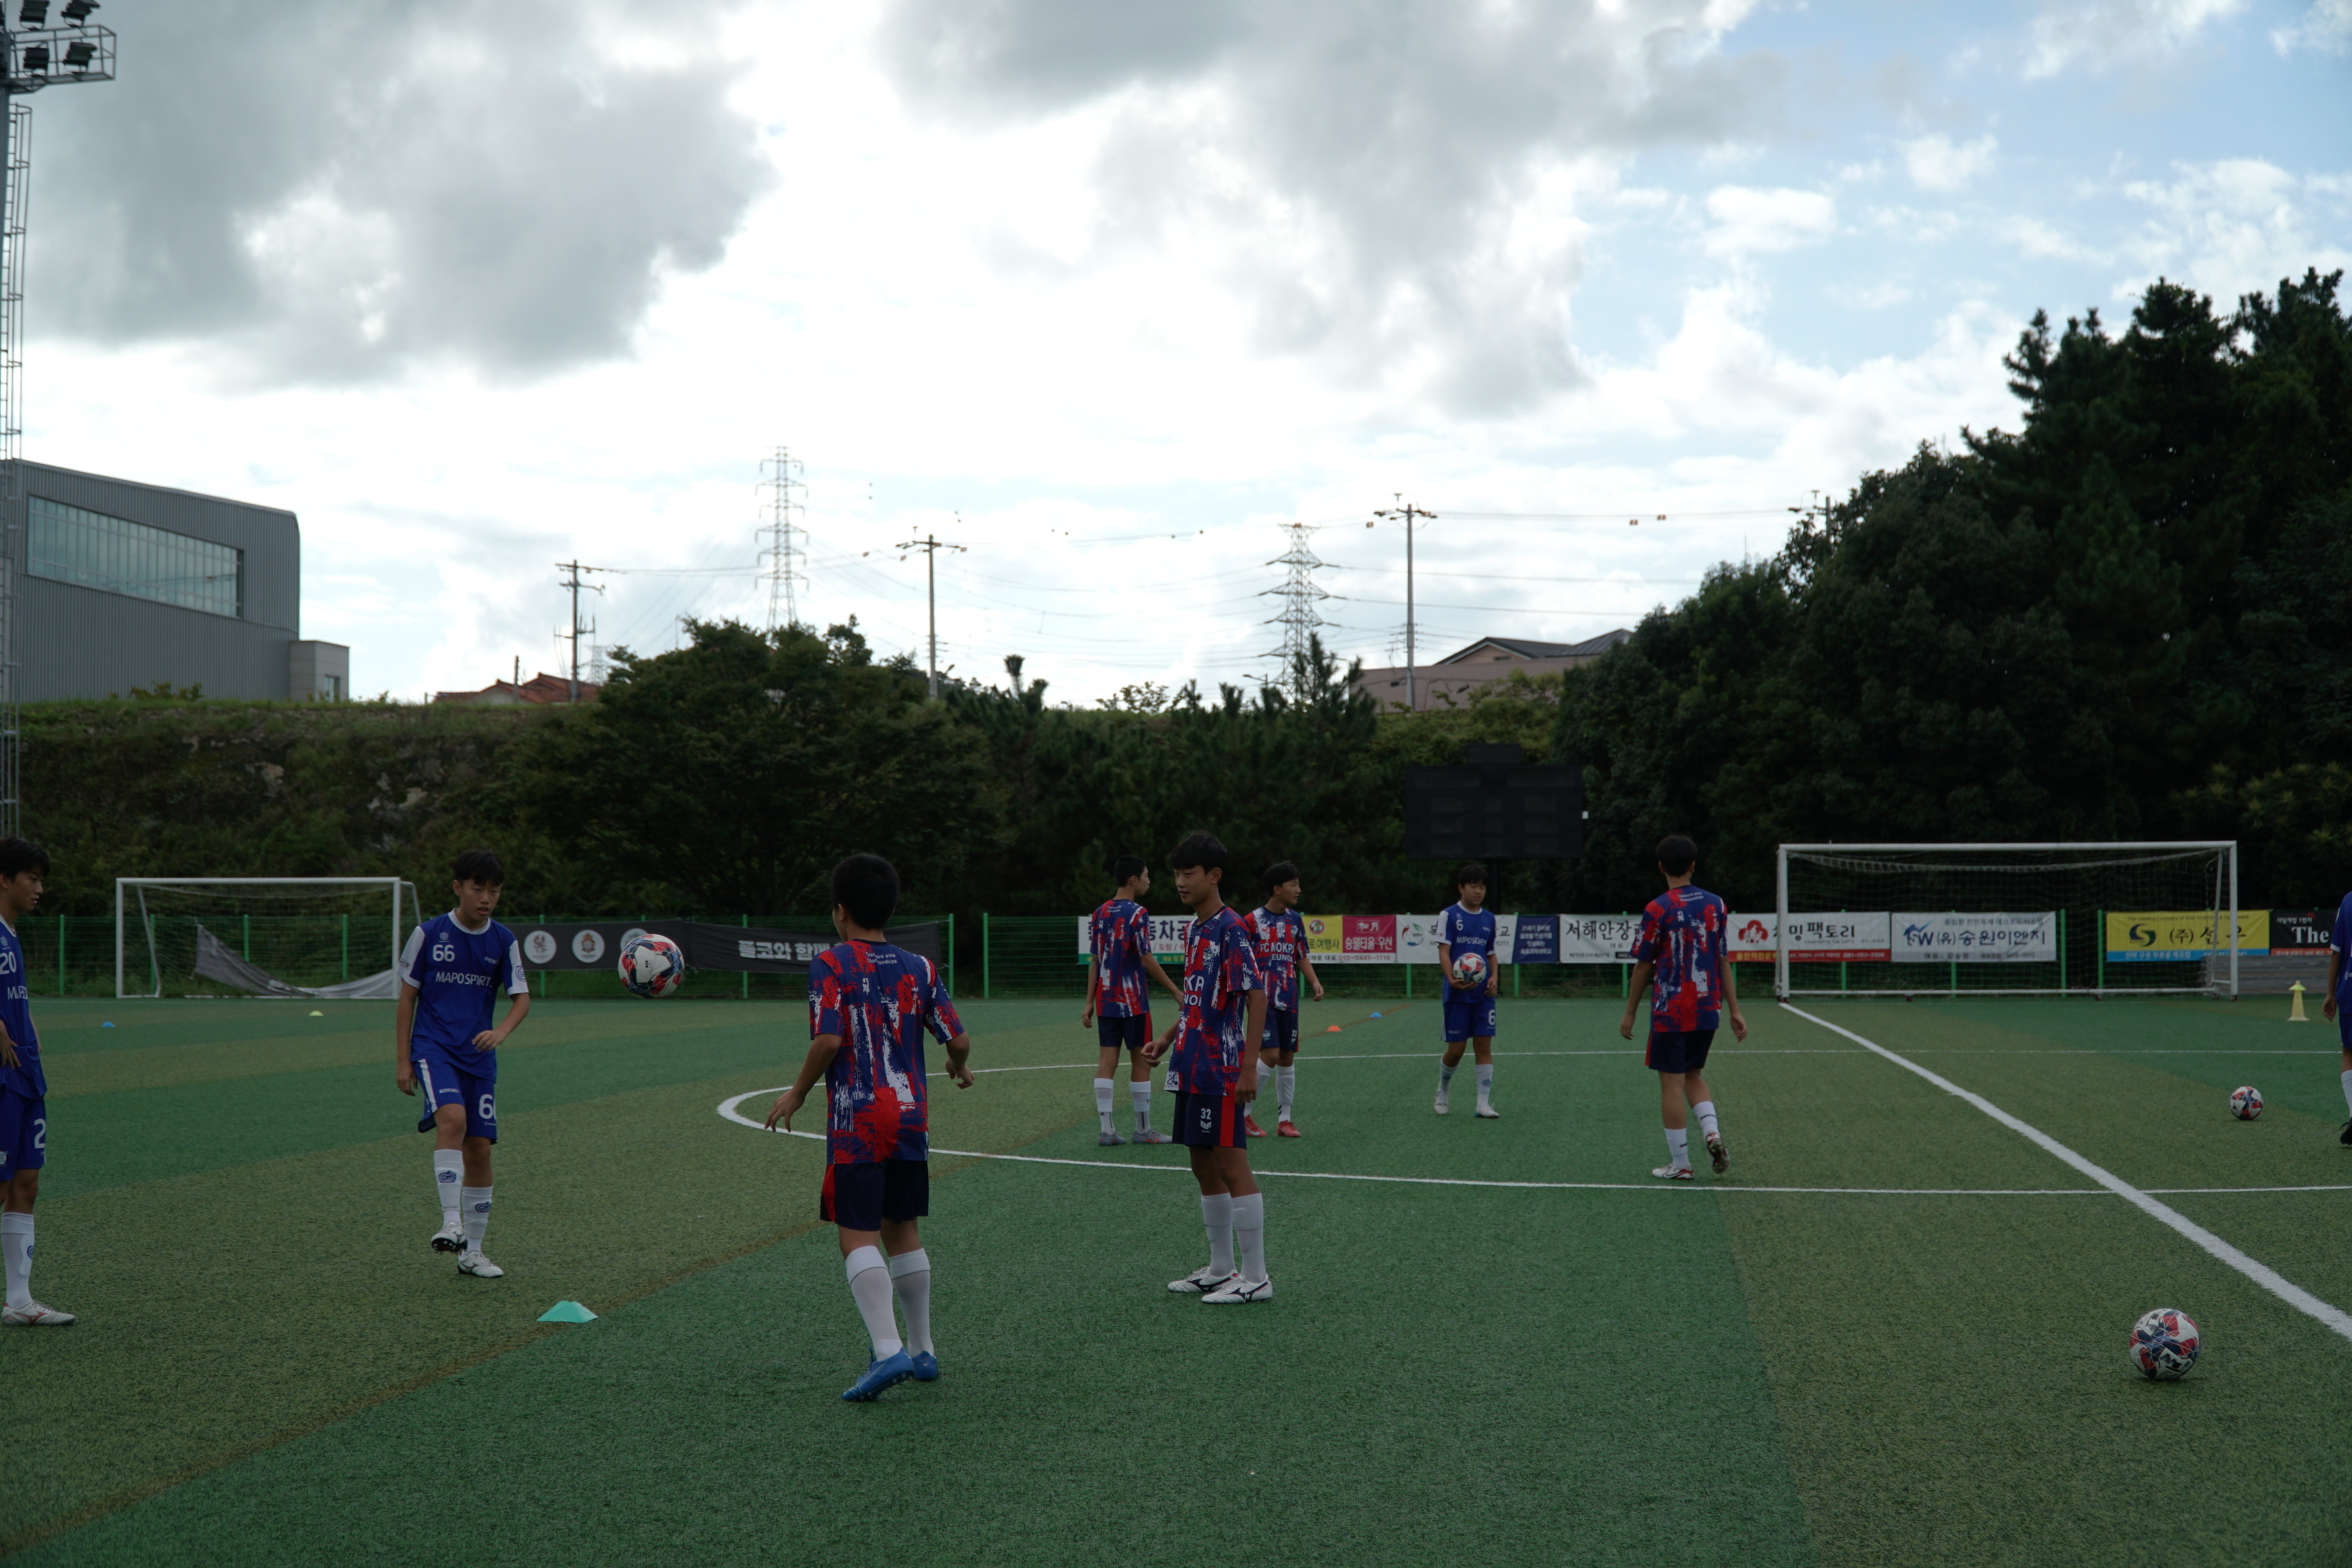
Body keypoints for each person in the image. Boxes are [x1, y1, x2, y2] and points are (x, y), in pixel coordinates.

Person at [768, 853, 975, 1401]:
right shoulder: (920, 967)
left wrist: (798, 1092)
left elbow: (830, 1039)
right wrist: (956, 1065)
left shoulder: (831, 964)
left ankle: (887, 1351)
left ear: (840, 911)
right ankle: (924, 1349)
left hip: (858, 1118)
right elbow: (957, 1039)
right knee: (902, 1229)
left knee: (856, 1234)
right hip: (911, 1116)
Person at [1146, 832, 1273, 1303]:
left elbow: (1256, 996)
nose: (1181, 882)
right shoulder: (1195, 930)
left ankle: (1257, 1277)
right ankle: (1221, 1268)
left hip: (1221, 1065)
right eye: (1176, 874)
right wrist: (1167, 1037)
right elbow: (1200, 998)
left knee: (1231, 1163)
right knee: (1202, 1163)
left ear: (1214, 876)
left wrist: (1248, 1066)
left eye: (1190, 873)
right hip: (1191, 1062)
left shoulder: (1231, 928)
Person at [396, 849, 531, 1278]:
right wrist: (403, 1060)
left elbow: (522, 998)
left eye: (494, 890)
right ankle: (451, 1221)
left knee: (479, 1149)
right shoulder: (428, 933)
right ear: (458, 888)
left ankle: (472, 1252)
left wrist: (501, 1032)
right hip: (433, 1046)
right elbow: (407, 998)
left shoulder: (504, 941)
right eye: (478, 889)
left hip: (478, 1055)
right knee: (452, 1119)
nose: (486, 898)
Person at [1617, 835, 1747, 1179]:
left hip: (1671, 1011)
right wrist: (1735, 1011)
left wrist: (1630, 1012)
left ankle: (1682, 1165)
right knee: (1694, 1075)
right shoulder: (1716, 905)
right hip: (1708, 1009)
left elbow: (1643, 966)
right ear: (1693, 865)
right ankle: (1712, 1133)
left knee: (1672, 1084)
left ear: (1661, 867)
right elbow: (1723, 960)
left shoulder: (1657, 908)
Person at [0, 839, 68, 1326]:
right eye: (32, 878)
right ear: (4, 879)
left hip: (26, 1072)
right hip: (2, 1077)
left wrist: (28, 1024)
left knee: (26, 1183)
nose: (39, 888)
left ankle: (19, 1302)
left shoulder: (11, 934)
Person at [1080, 855, 1182, 1145]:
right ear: (1133, 880)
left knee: (1107, 1062)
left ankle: (1107, 1131)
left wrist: (1090, 1002)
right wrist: (1175, 991)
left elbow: (1096, 960)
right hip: (1134, 1002)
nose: (1150, 881)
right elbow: (1145, 958)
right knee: (1142, 1061)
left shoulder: (1100, 913)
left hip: (1106, 1001)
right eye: (1146, 876)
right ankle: (1143, 1130)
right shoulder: (1138, 913)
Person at [1242, 860, 1324, 1137]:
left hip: (1289, 997)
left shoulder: (1295, 920)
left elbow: (1301, 955)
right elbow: (1241, 959)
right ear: (1277, 889)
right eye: (1294, 885)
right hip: (1261, 999)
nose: (1299, 890)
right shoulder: (1252, 921)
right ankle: (1242, 1114)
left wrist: (1314, 981)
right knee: (1271, 1055)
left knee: (1287, 1058)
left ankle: (1285, 1121)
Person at [1433, 862, 1503, 1119]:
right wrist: (1451, 979)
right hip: (1458, 994)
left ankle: (1483, 1104)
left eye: (1482, 887)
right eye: (1474, 886)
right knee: (1456, 1051)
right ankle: (1443, 1089)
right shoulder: (1449, 915)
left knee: (1484, 1045)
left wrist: (1494, 977)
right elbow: (1444, 951)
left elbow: (1491, 953)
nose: (1479, 892)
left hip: (1483, 995)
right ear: (1461, 888)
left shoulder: (1489, 919)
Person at [2327, 887, 2352, 1145]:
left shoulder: (2348, 902)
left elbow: (2337, 951)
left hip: (2349, 988)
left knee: (2349, 1052)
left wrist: (2330, 993)